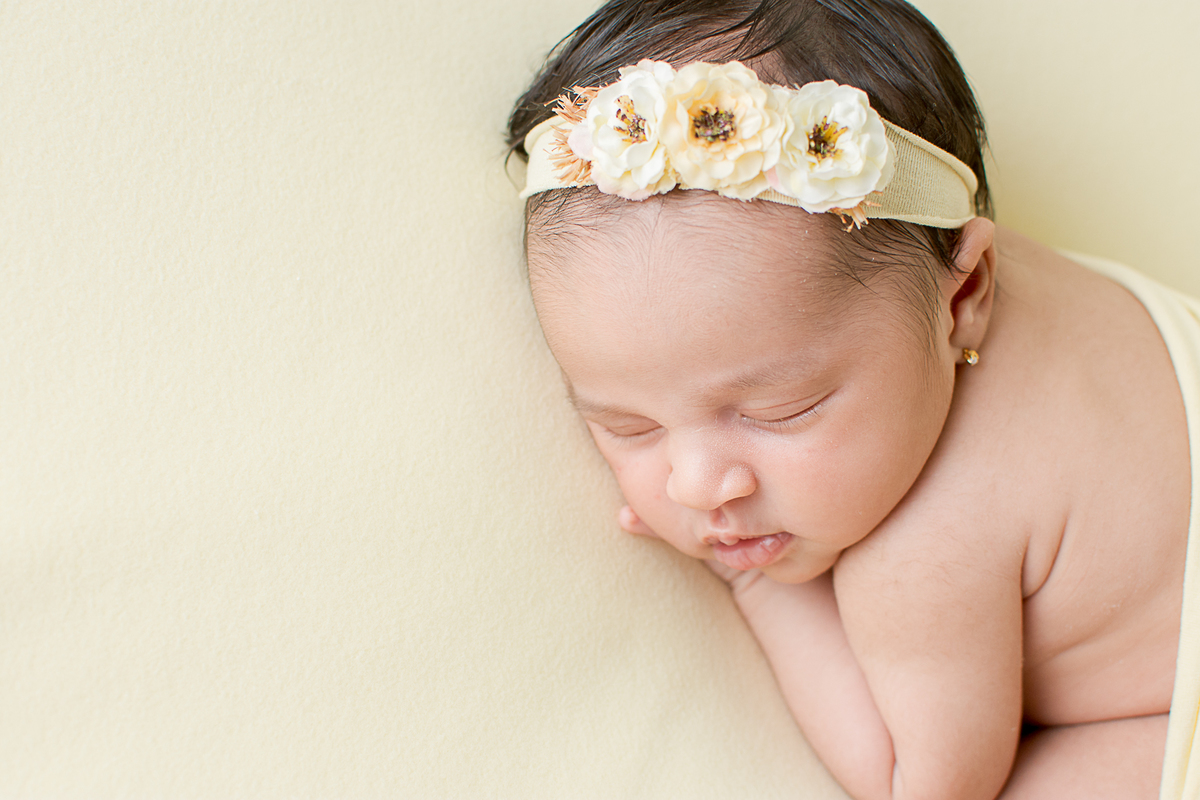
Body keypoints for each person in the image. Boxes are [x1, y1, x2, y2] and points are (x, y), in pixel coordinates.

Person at [506, 1, 1199, 797]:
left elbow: (923, 784)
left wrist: (757, 584)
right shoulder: (963, 273)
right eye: (628, 425)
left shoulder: (924, 558)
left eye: (779, 410)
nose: (696, 484)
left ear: (965, 289)